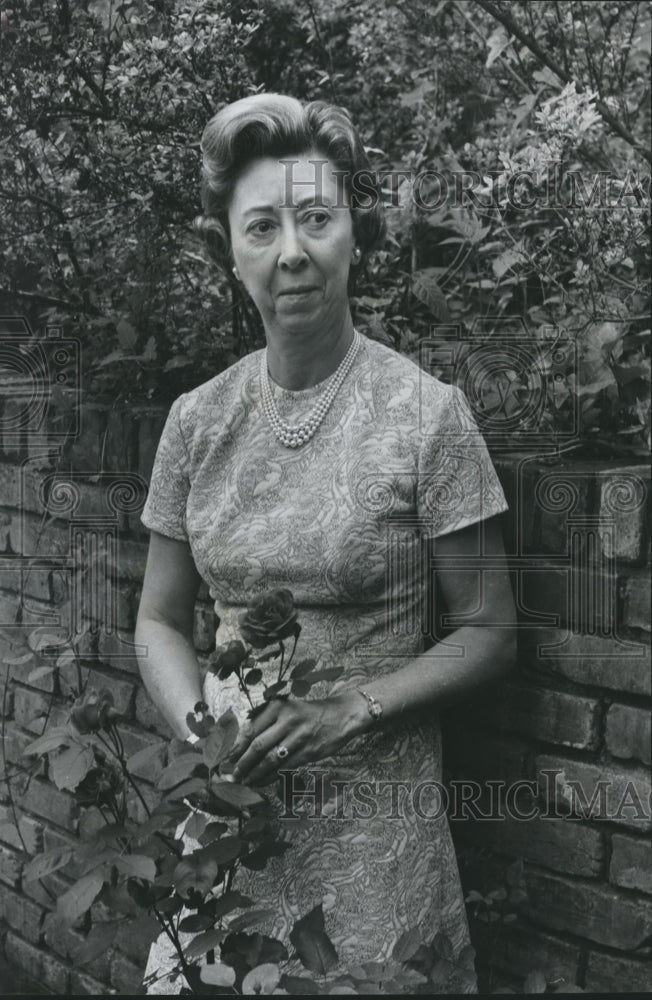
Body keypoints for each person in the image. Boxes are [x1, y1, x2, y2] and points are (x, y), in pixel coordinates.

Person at [136, 93, 516, 994]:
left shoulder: (427, 417)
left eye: (316, 217)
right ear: (229, 250)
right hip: (229, 820)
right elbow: (156, 618)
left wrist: (352, 709)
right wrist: (201, 728)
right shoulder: (197, 421)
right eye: (262, 226)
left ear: (355, 233)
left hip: (376, 834)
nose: (293, 250)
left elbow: (492, 631)